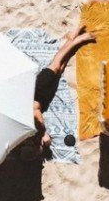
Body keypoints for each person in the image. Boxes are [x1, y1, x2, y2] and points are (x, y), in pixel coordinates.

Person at [22, 25, 96, 157]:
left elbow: (35, 112)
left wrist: (44, 133)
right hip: (43, 98)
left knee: (55, 65)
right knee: (60, 68)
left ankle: (77, 40)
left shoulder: (30, 133)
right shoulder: (33, 136)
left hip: (37, 91)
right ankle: (71, 39)